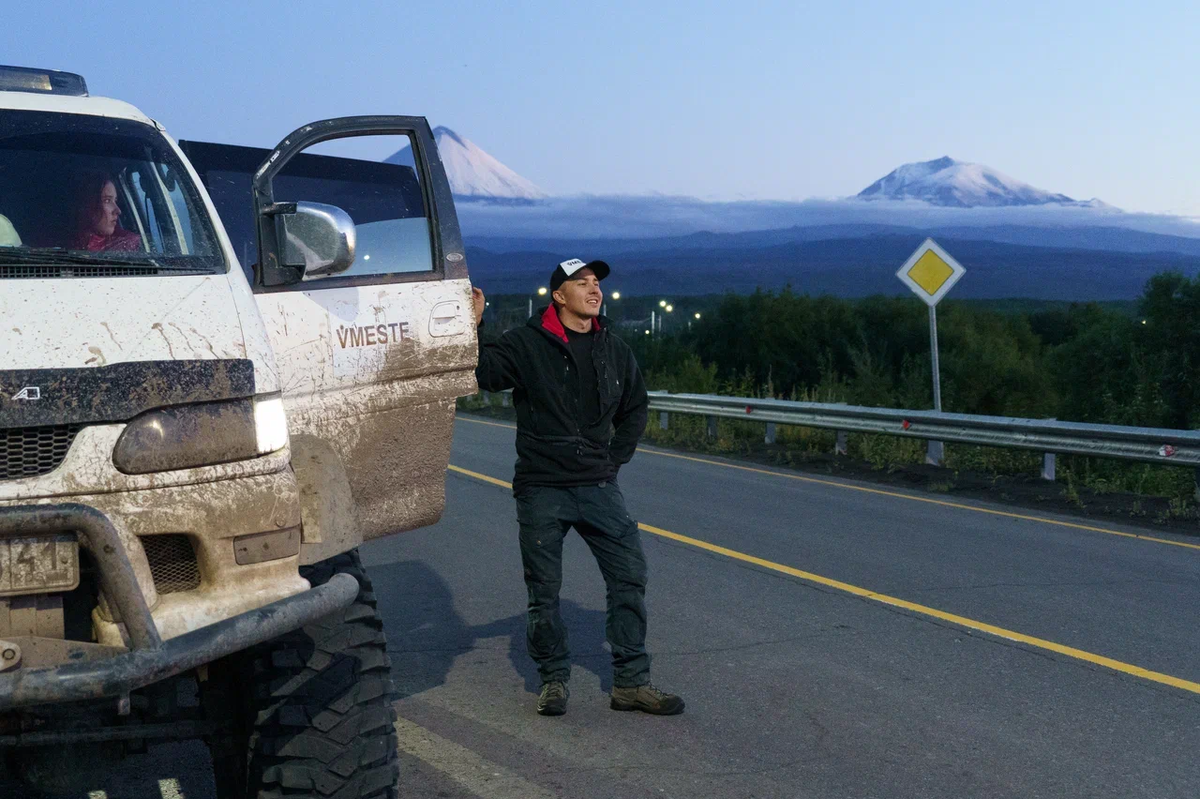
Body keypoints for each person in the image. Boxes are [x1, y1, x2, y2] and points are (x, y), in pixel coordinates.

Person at [472, 257, 684, 717]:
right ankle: (553, 679)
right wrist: (476, 325)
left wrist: (615, 459)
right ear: (559, 295)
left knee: (629, 574)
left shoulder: (613, 347)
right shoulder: (527, 343)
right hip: (542, 487)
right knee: (544, 591)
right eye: (581, 283)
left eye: (597, 283)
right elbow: (487, 374)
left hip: (597, 485)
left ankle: (631, 682)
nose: (594, 290)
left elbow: (636, 404)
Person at [72, 172, 142, 252]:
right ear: (87, 205)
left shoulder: (127, 245)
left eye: (115, 200)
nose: (118, 211)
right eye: (107, 200)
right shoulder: (59, 249)